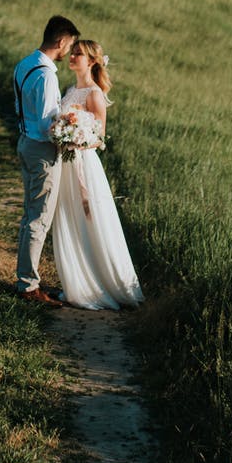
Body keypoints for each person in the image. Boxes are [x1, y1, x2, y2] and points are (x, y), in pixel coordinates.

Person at [49, 38, 144, 310]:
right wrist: (61, 132)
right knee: (69, 220)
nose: (72, 57)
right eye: (73, 52)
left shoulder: (94, 94)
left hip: (83, 165)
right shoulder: (69, 91)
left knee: (91, 221)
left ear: (91, 61)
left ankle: (106, 285)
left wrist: (75, 138)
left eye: (78, 54)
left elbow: (100, 138)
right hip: (64, 165)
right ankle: (76, 284)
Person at [14, 15, 78, 305]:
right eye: (70, 45)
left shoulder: (25, 63)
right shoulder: (47, 75)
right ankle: (28, 286)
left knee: (30, 214)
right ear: (61, 41)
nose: (69, 51)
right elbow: (46, 124)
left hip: (25, 142)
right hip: (41, 150)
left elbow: (21, 107)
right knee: (39, 218)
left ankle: (25, 279)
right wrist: (69, 133)